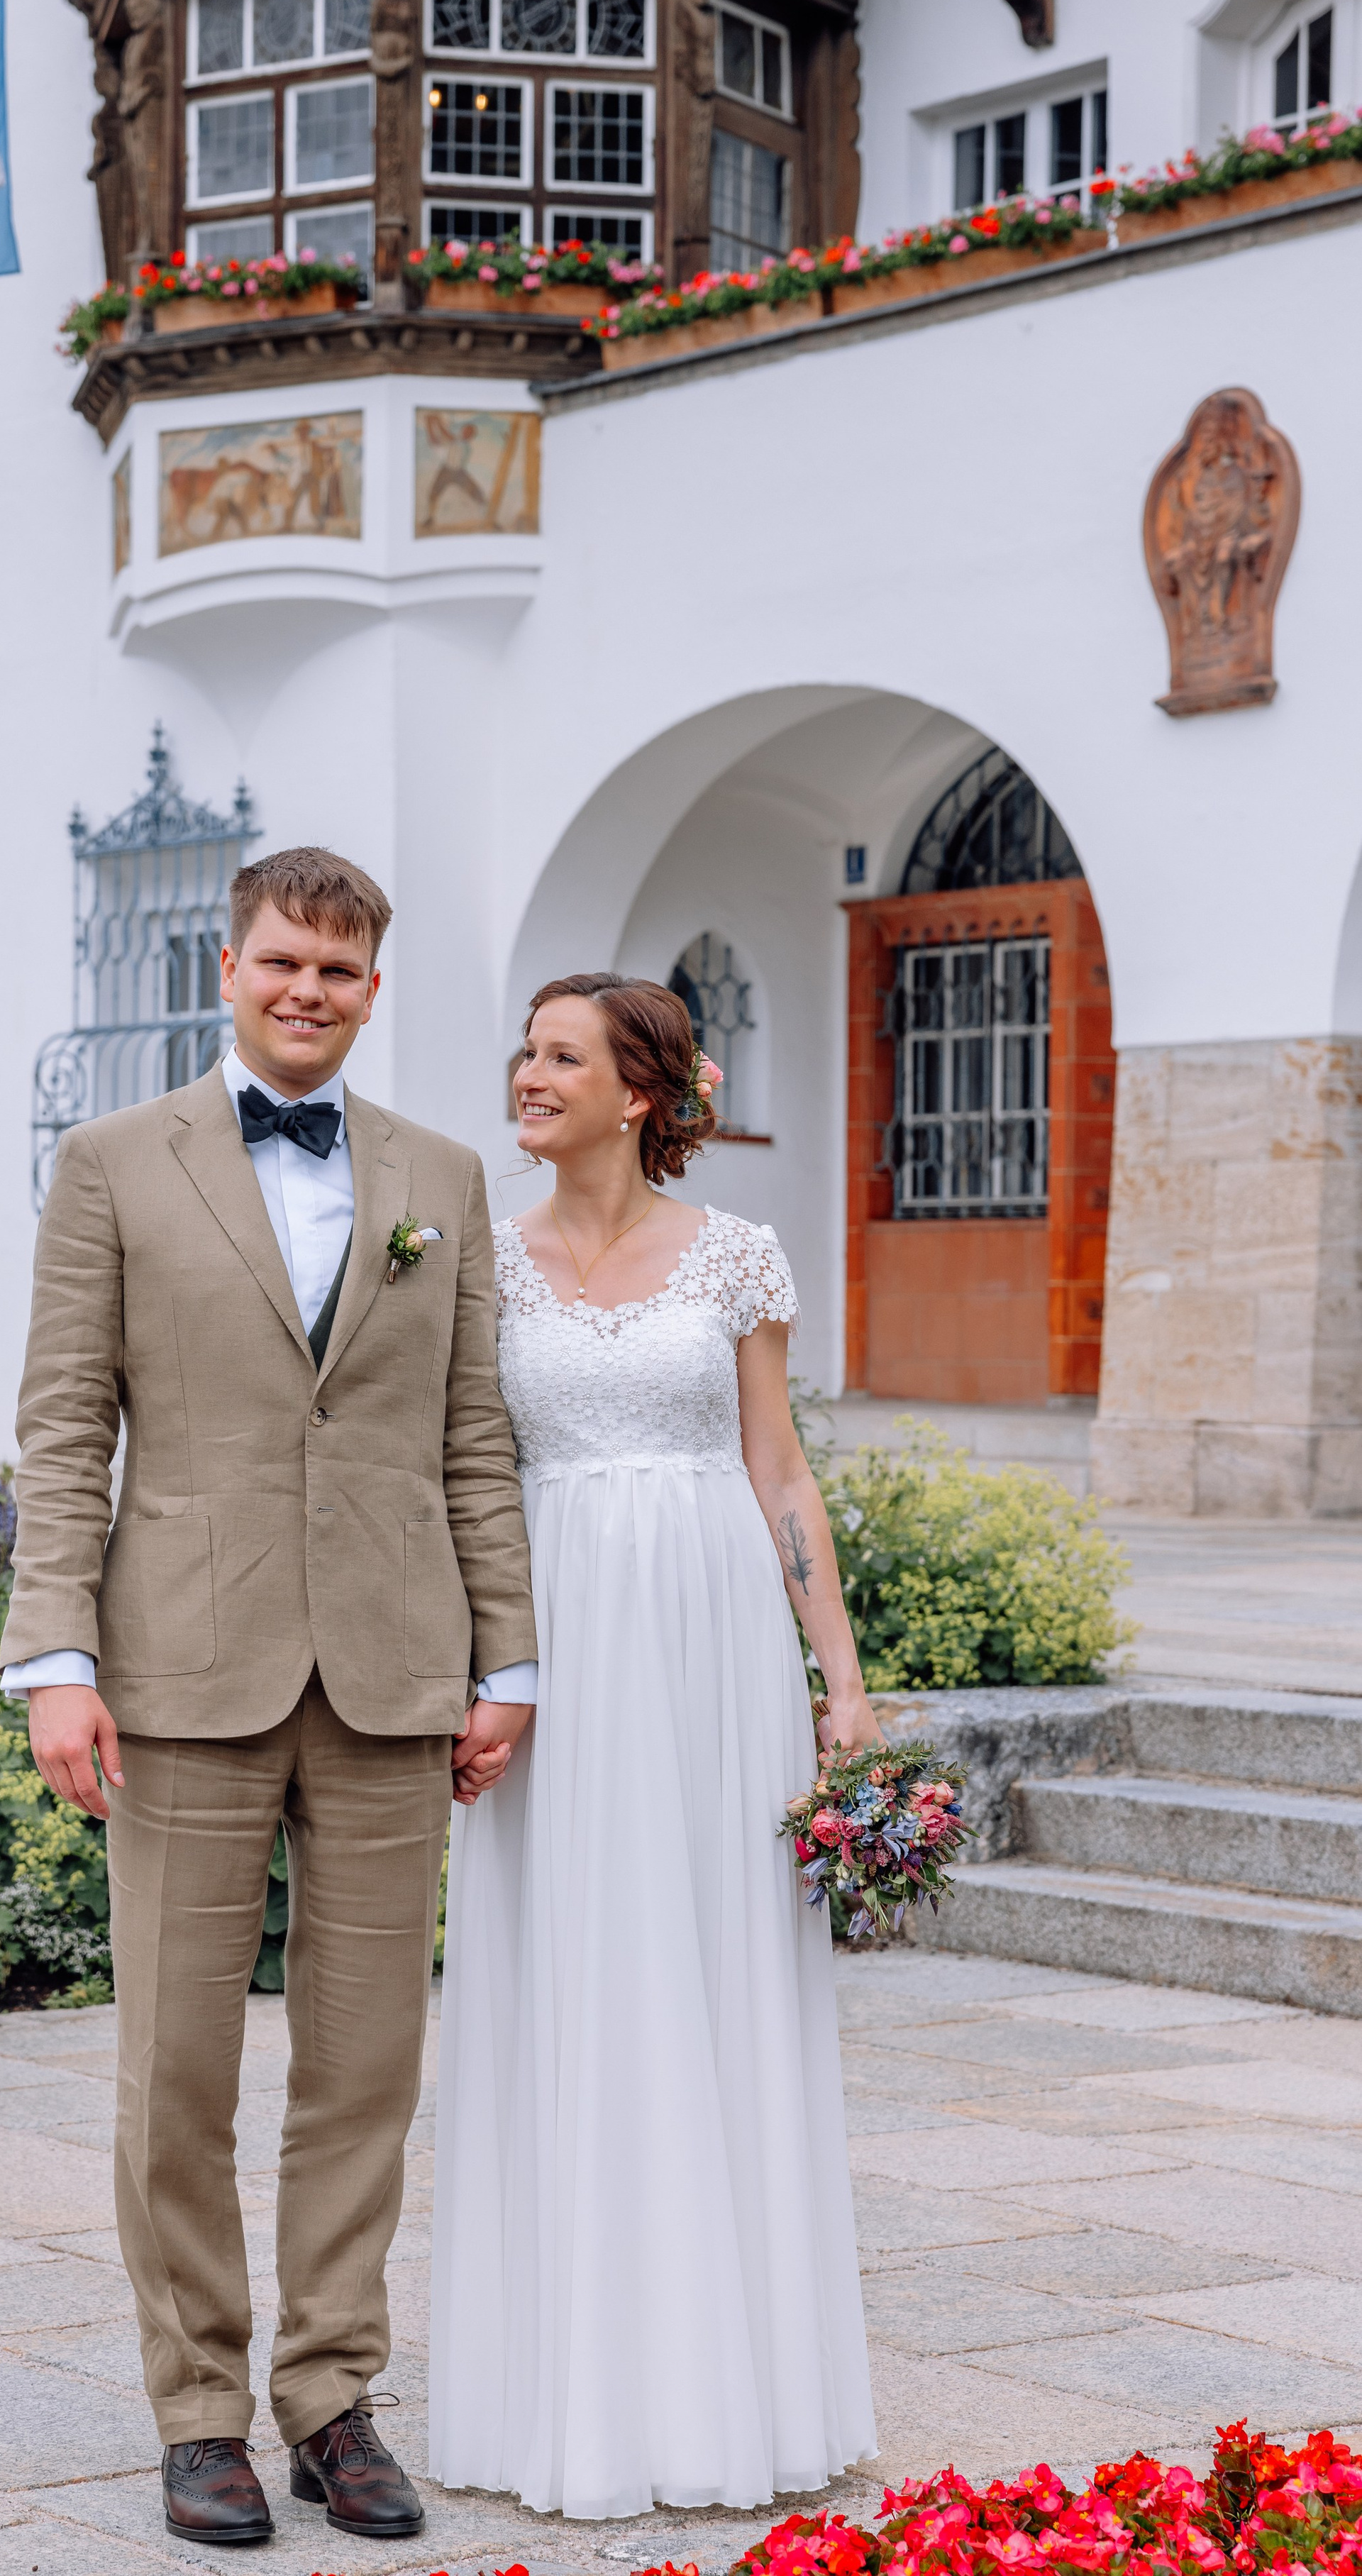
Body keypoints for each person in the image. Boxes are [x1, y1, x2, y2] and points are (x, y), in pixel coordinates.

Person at [1, 848, 537, 2548]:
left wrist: (504, 1657)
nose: (307, 991)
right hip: (178, 1670)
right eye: (281, 962)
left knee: (365, 2065)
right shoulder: (110, 1162)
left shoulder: (437, 1172)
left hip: (393, 1672)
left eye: (339, 970)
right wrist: (56, 1662)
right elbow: (62, 1426)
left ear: (375, 988)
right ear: (226, 966)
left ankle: (331, 2393)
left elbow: (471, 1435)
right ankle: (196, 2412)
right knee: (174, 2065)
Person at [430, 972, 880, 2521]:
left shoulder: (737, 1254)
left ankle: (729, 2375)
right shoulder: (477, 1263)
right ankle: (565, 2379)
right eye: (523, 1052)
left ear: (637, 1091)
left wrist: (838, 1682)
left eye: (559, 1055)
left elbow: (778, 1474)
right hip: (550, 1644)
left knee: (711, 1968)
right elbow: (455, 1475)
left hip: (706, 1649)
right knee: (566, 1968)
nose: (524, 1074)